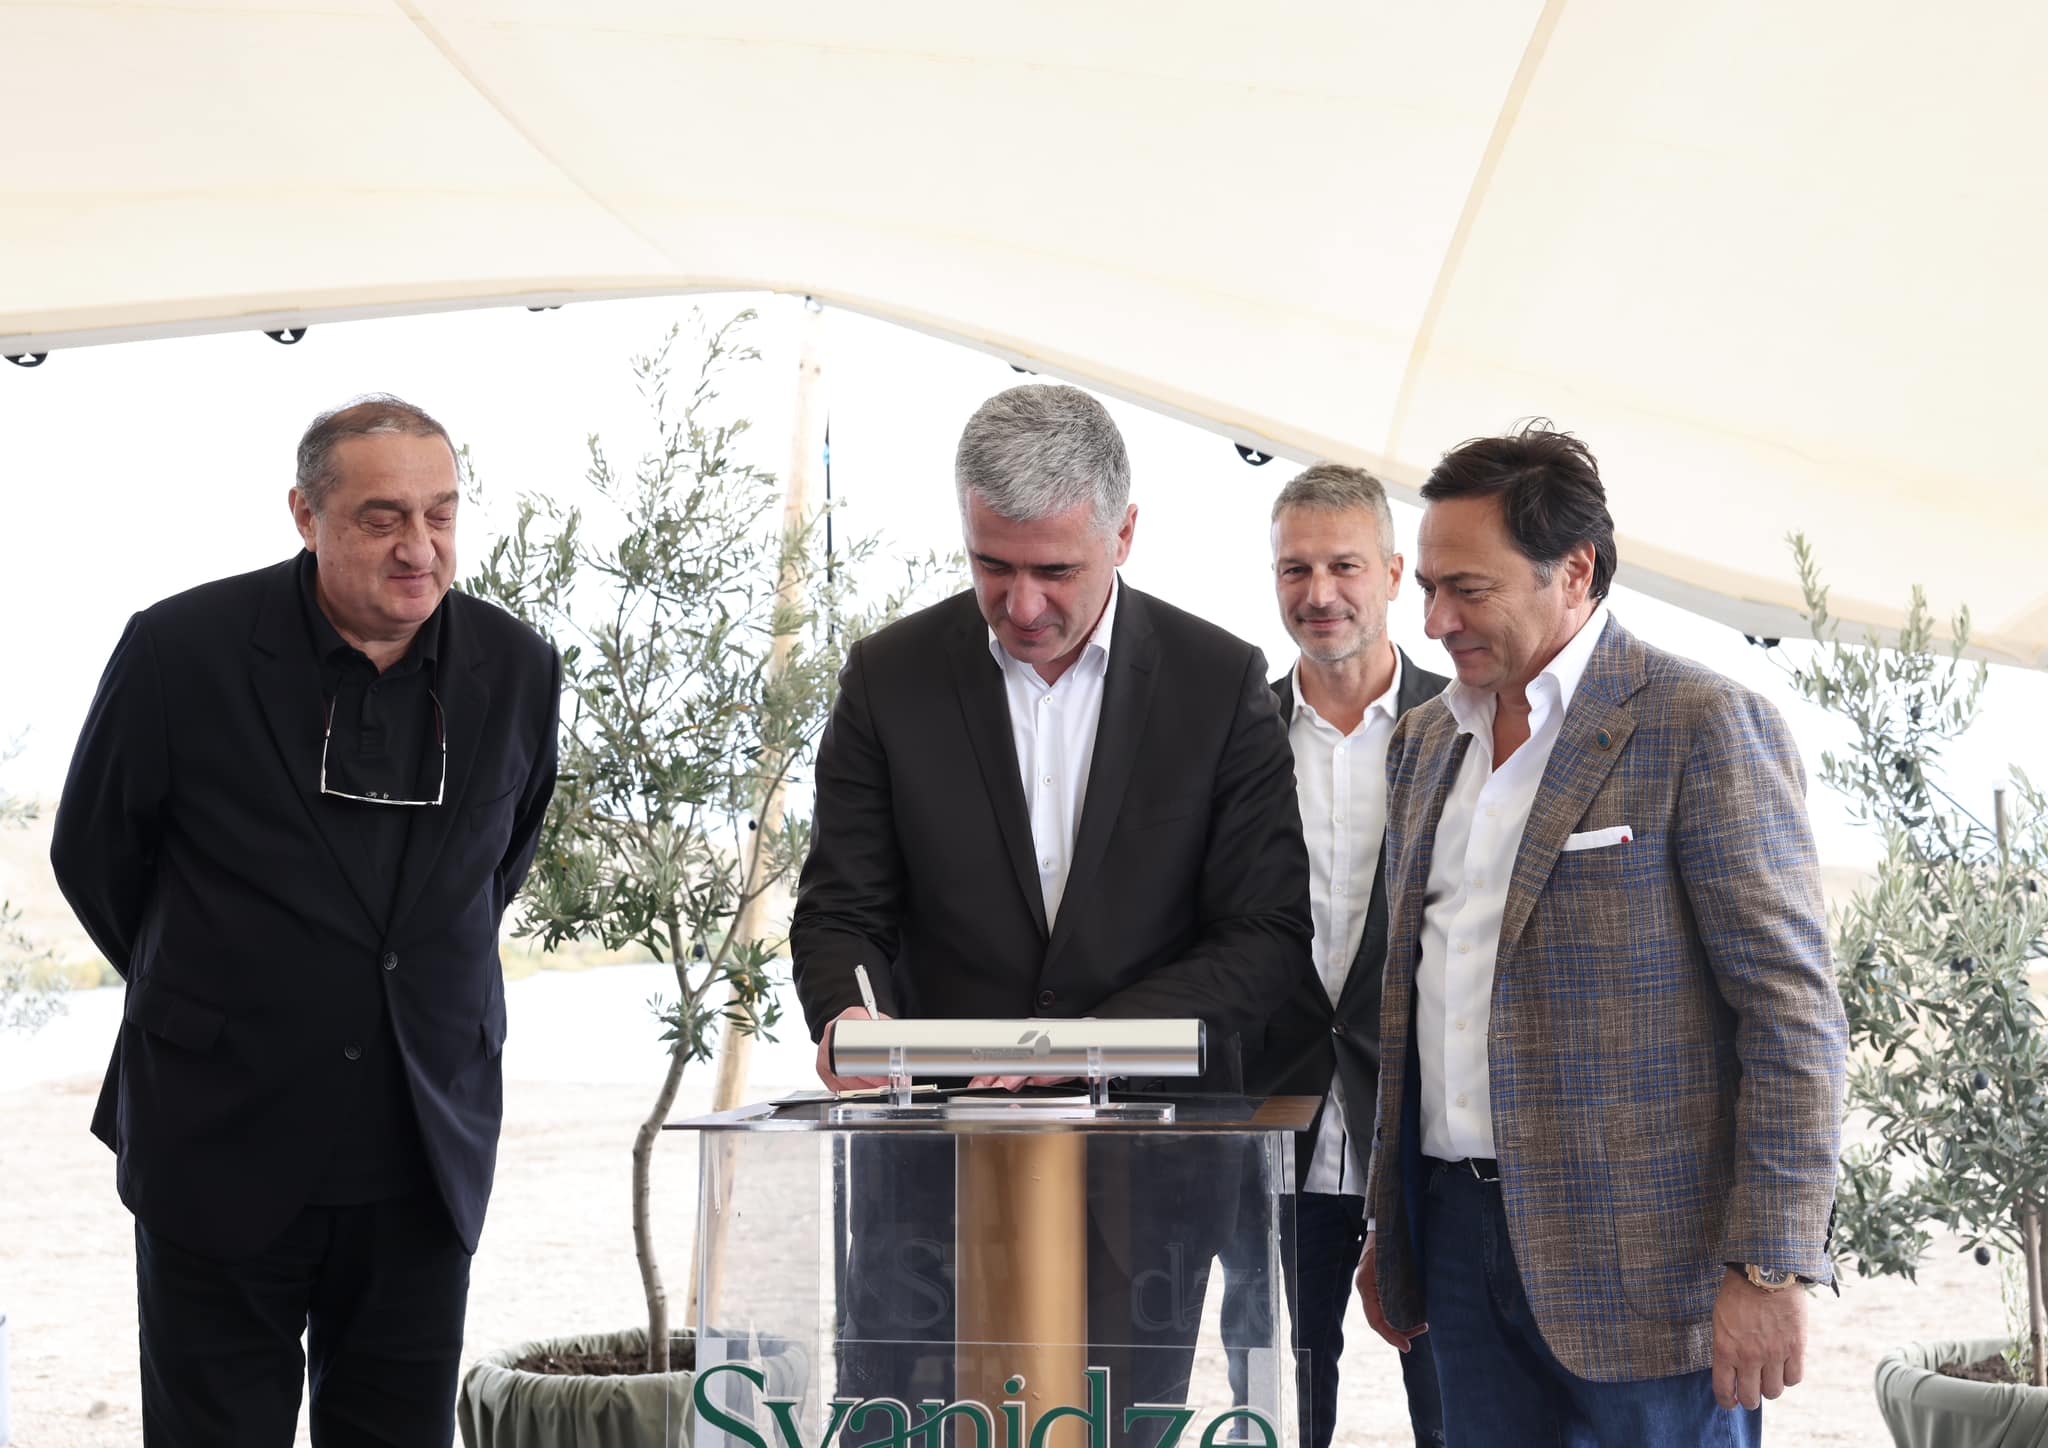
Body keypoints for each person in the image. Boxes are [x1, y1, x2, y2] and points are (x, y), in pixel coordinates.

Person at [790, 383, 1312, 1429]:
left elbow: (1264, 938)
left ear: (1124, 534)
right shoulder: (889, 678)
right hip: (926, 1174)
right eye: (993, 566)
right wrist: (846, 1011)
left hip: (1143, 1185)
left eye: (1055, 571)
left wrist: (1080, 1039)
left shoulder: (1218, 685)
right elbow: (841, 908)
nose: (1022, 605)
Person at [51, 396, 560, 1447]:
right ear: (305, 514)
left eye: (440, 513)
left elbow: (494, 868)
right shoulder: (178, 651)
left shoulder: (516, 666)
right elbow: (95, 855)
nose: (419, 547)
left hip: (423, 1147)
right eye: (383, 518)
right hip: (217, 1133)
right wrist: (227, 988)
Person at [1357, 423, 1847, 1445]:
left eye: (1468, 589)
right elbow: (1416, 999)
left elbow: (1792, 1016)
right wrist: (1389, 1222)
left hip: (1651, 1269)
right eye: (1429, 590)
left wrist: (1769, 1266)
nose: (1436, 620)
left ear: (1573, 569)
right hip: (1453, 1237)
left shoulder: (1700, 723)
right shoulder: (1422, 743)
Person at [1222, 464, 1448, 1447]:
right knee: (1278, 1404)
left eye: (1344, 565)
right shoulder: (1232, 736)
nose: (1319, 593)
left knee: (1451, 1405)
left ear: (1393, 573)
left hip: (1429, 1130)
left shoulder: (1471, 723)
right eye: (1295, 568)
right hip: (1274, 1118)